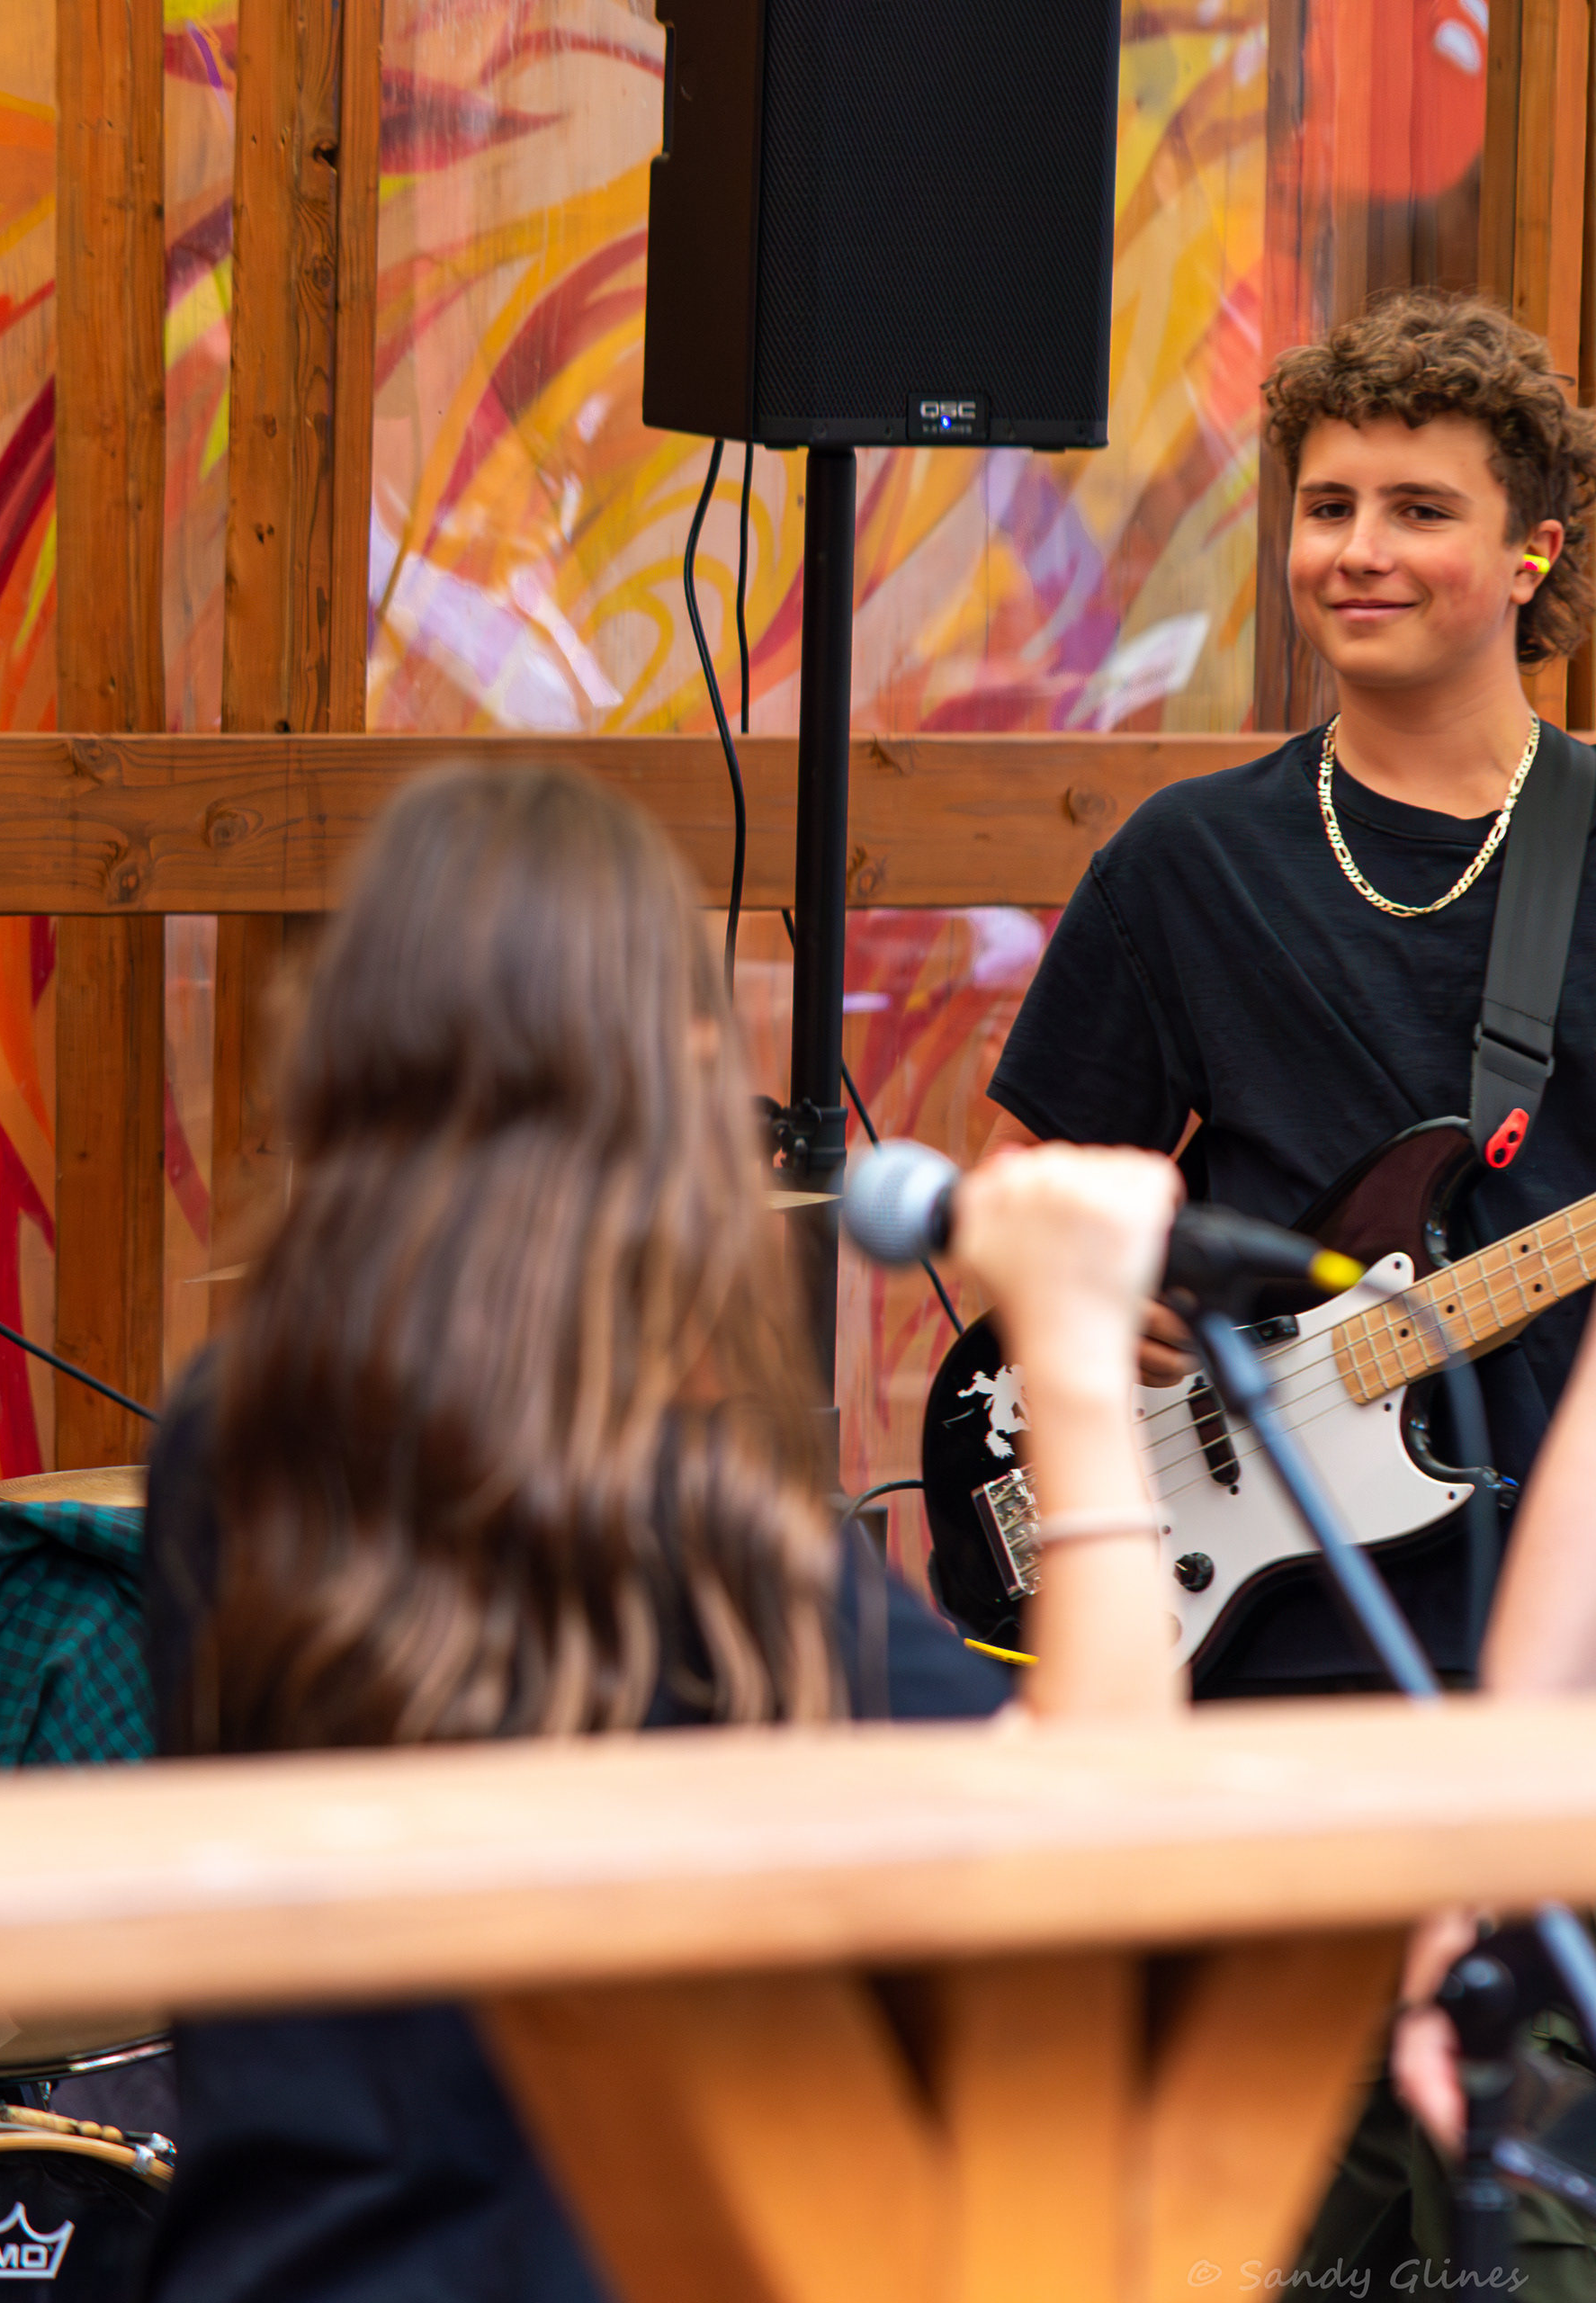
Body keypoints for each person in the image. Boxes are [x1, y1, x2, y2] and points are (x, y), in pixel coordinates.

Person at [139, 765, 1186, 2302]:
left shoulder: (229, 1435)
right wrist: (1077, 1356)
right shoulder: (674, 1521)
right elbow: (1110, 1853)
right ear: (681, 1074)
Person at [983, 288, 1596, 2285]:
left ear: (1533, 551)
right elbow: (1026, 1192)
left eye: (1419, 509)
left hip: (1549, 1672)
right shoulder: (1191, 861)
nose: (1356, 550)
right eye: (1328, 506)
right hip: (1263, 1639)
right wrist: (1109, 1298)